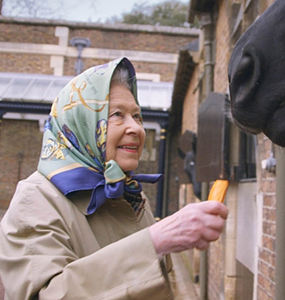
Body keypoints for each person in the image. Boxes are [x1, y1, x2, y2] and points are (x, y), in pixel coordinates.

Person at [0, 57, 228, 299]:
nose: (137, 128)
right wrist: (154, 242)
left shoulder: (130, 192)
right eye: (117, 114)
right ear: (80, 124)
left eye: (137, 116)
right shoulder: (35, 199)